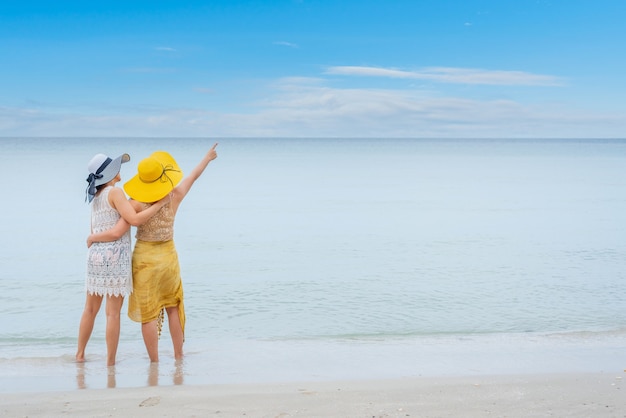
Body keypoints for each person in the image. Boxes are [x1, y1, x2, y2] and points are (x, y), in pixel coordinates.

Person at [89, 143, 218, 362]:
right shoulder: (174, 196)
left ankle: (155, 362)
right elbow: (193, 177)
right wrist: (207, 158)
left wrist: (93, 237)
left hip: (144, 261)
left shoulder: (135, 203)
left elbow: (118, 229)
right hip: (169, 258)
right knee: (173, 308)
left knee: (148, 315)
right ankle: (179, 356)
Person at [77, 152, 169, 366]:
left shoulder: (95, 198)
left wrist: (92, 238)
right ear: (110, 173)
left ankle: (80, 354)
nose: (120, 171)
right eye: (116, 168)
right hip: (114, 256)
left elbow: (95, 229)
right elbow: (134, 220)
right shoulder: (115, 193)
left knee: (89, 309)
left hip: (95, 257)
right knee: (112, 314)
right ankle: (110, 362)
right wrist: (159, 204)